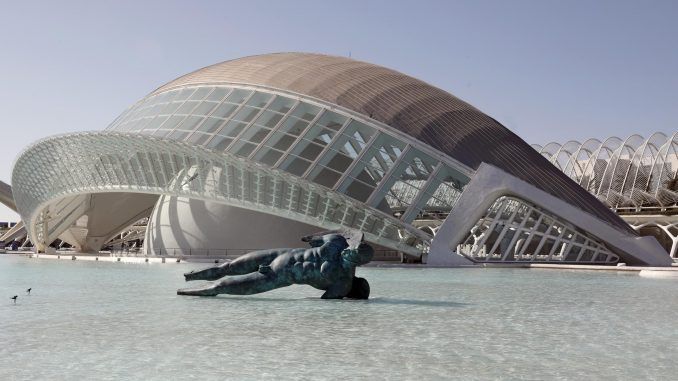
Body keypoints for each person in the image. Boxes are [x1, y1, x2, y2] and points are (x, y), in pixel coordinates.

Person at [178, 233, 373, 299]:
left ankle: (191, 291)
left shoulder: (341, 282)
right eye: (352, 248)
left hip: (279, 276)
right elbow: (316, 238)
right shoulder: (338, 242)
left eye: (352, 255)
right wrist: (313, 239)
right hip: (280, 254)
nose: (348, 252)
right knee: (228, 267)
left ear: (358, 264)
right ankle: (192, 276)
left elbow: (326, 302)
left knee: (225, 285)